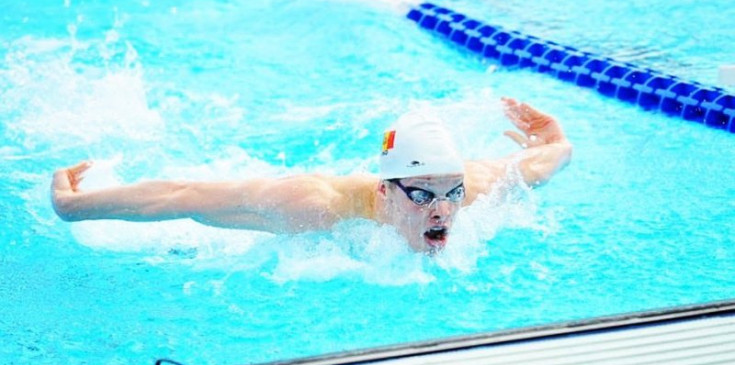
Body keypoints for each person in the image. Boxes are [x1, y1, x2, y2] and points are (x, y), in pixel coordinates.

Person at [51, 97, 572, 254]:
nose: (441, 210)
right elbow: (184, 194)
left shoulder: (471, 192)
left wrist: (555, 139)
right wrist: (73, 207)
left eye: (450, 192)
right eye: (421, 194)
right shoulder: (314, 205)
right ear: (383, 191)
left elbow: (539, 164)